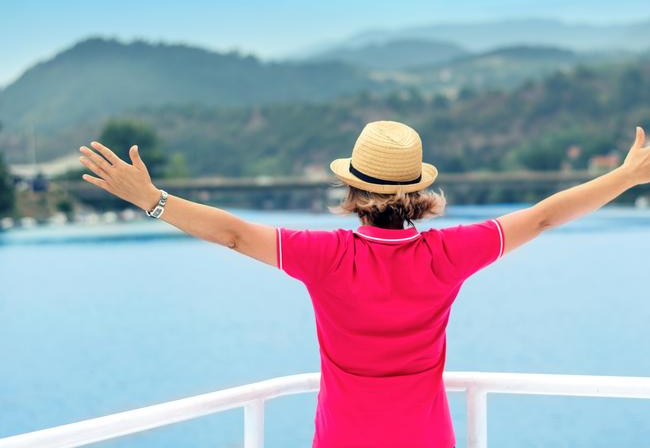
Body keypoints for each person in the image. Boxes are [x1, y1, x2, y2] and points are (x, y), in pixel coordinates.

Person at [78, 120, 650, 448]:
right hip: (428, 437)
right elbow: (545, 215)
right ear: (419, 192)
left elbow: (231, 234)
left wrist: (151, 201)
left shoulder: (322, 256)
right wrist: (625, 176)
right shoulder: (449, 252)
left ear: (352, 191)